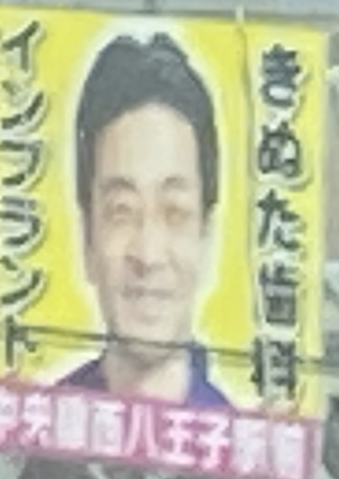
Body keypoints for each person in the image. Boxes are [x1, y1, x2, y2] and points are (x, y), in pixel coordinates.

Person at [57, 31, 231, 408]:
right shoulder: (37, 430)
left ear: (208, 238)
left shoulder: (241, 440)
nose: (148, 255)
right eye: (122, 212)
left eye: (175, 213)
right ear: (87, 239)